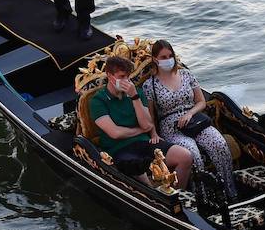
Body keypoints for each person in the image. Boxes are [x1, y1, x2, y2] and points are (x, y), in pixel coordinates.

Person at [144, 39, 237, 198]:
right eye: (163, 57)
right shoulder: (149, 85)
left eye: (170, 55)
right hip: (172, 128)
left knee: (219, 143)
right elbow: (150, 115)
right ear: (155, 59)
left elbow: (201, 102)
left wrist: (189, 114)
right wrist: (154, 134)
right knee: (192, 152)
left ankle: (229, 192)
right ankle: (202, 198)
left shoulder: (186, 75)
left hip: (195, 120)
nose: (168, 60)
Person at [88, 56, 192, 187]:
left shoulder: (137, 93)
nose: (126, 81)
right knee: (139, 170)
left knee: (185, 156)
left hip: (144, 143)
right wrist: (141, 130)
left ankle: (178, 198)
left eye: (128, 77)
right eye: (121, 76)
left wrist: (134, 97)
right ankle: (155, 199)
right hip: (119, 150)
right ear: (109, 75)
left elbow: (147, 125)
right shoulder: (98, 101)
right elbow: (115, 133)